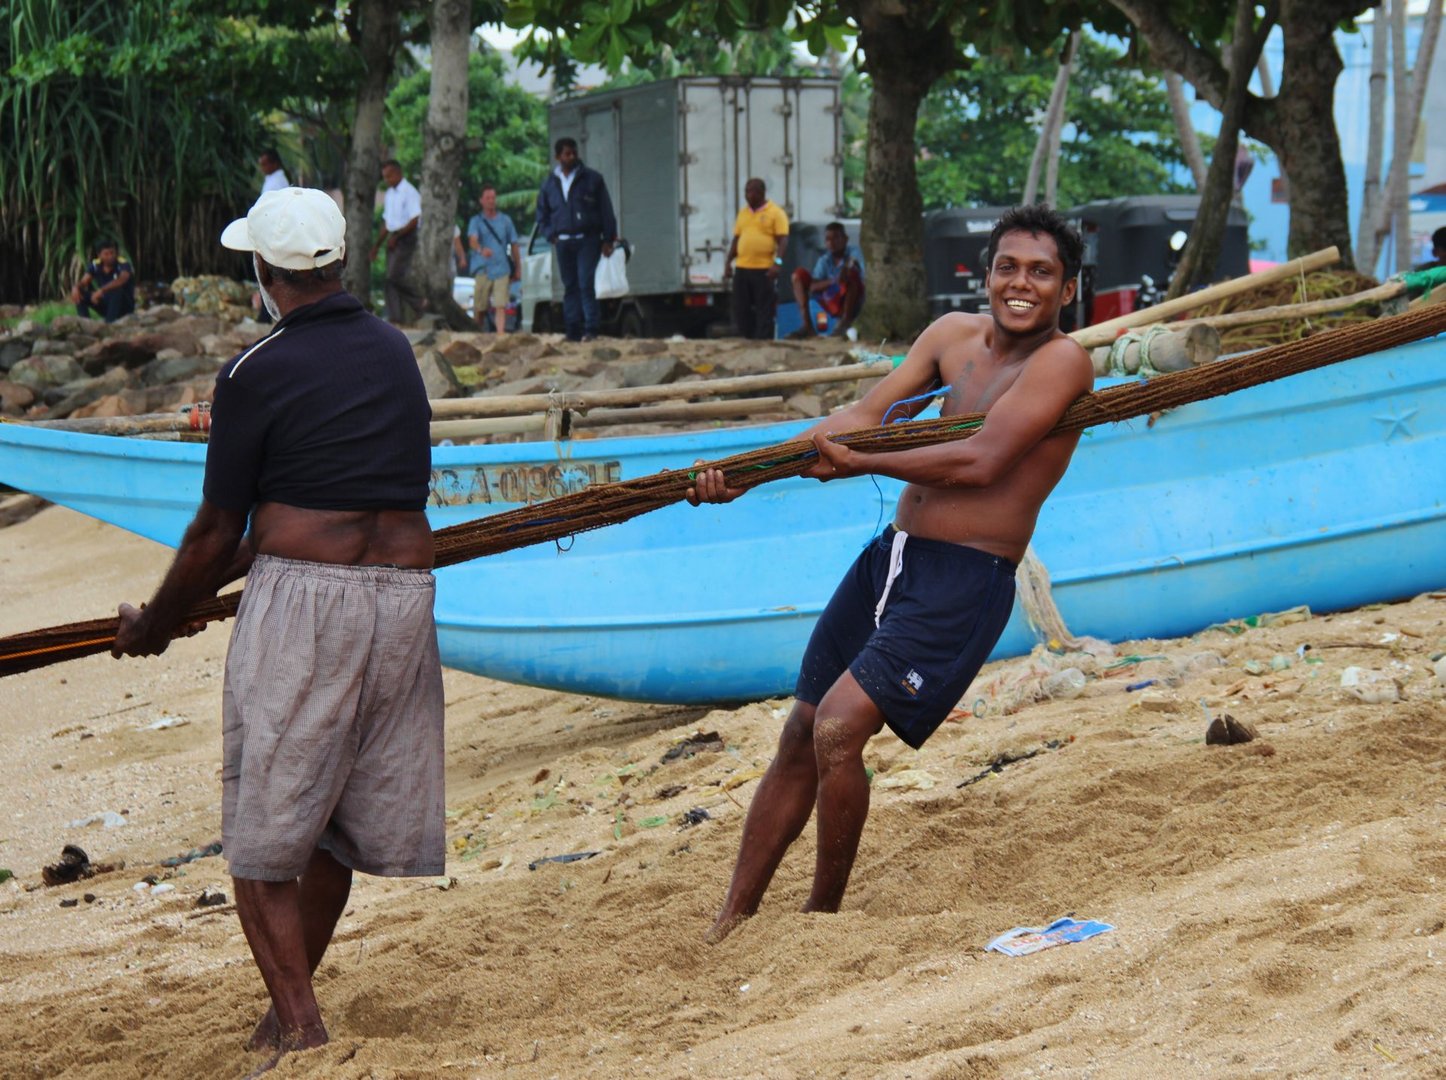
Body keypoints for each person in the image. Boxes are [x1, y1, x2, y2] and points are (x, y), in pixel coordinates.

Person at [689, 205, 1093, 942]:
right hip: (893, 558)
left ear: (1066, 290)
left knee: (839, 732)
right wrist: (754, 471)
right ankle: (731, 918)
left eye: (1042, 272)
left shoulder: (1062, 362)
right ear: (988, 273)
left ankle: (821, 920)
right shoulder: (950, 338)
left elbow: (983, 460)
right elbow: (865, 414)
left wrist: (863, 461)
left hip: (964, 580)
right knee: (801, 730)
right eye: (1009, 267)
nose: (1021, 284)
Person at [111, 187, 444, 1070]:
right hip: (407, 598)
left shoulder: (252, 373)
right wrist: (176, 605)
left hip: (310, 603)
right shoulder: (395, 351)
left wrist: (154, 623)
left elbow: (219, 532)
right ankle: (286, 1014)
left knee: (260, 839)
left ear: (263, 274)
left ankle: (301, 1028)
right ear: (337, 264)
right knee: (329, 829)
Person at [535, 137, 618, 341]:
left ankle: (591, 329)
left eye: (573, 153)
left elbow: (606, 210)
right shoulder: (549, 185)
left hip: (587, 239)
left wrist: (608, 239)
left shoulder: (592, 179)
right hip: (563, 241)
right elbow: (542, 215)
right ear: (558, 157)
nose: (571, 157)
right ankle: (572, 331)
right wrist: (550, 235)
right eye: (566, 154)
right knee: (569, 285)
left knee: (585, 283)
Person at [724, 178, 789, 340]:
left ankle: (763, 341)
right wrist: (728, 262)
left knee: (764, 308)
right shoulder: (743, 213)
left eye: (752, 191)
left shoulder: (775, 212)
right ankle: (748, 337)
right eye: (747, 191)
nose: (749, 195)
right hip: (743, 267)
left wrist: (777, 263)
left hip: (764, 269)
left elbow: (783, 240)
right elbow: (737, 239)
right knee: (741, 308)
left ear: (761, 193)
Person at [786, 221, 865, 339]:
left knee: (851, 274)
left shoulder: (854, 251)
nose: (832, 243)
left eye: (836, 238)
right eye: (828, 239)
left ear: (845, 239)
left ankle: (845, 323)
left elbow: (854, 262)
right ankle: (807, 327)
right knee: (798, 276)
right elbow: (813, 286)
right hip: (831, 300)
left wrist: (848, 268)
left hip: (852, 301)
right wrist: (834, 281)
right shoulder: (824, 260)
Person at [371, 159, 427, 324]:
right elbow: (387, 223)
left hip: (406, 237)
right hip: (393, 237)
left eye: (389, 176)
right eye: (385, 177)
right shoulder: (389, 194)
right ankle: (395, 317)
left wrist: (398, 237)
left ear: (398, 173)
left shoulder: (409, 192)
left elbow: (415, 219)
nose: (387, 180)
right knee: (389, 280)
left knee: (395, 275)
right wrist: (377, 246)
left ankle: (419, 301)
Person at [468, 184, 521, 336]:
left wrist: (518, 268)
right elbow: (472, 240)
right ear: (481, 200)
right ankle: (477, 333)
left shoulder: (505, 220)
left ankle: (500, 334)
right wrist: (480, 249)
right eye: (488, 198)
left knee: (500, 305)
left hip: (501, 267)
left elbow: (514, 244)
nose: (491, 201)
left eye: (493, 198)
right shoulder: (476, 221)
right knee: (480, 307)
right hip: (482, 268)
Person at [70, 240, 135, 323]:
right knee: (80, 294)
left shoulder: (123, 263)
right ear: (99, 255)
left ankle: (109, 324)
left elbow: (122, 279)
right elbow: (84, 282)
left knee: (116, 290)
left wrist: (101, 290)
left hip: (124, 306)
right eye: (106, 254)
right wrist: (76, 287)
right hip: (106, 303)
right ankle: (85, 322)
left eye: (112, 253)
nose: (110, 256)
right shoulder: (95, 265)